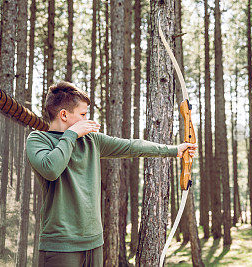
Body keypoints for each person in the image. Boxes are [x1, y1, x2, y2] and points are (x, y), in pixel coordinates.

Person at [26, 81, 197, 267]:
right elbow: (51, 169)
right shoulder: (38, 139)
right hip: (60, 246)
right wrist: (71, 135)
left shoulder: (92, 141)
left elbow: (132, 146)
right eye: (82, 115)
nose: (86, 120)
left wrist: (174, 150)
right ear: (64, 115)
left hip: (94, 243)